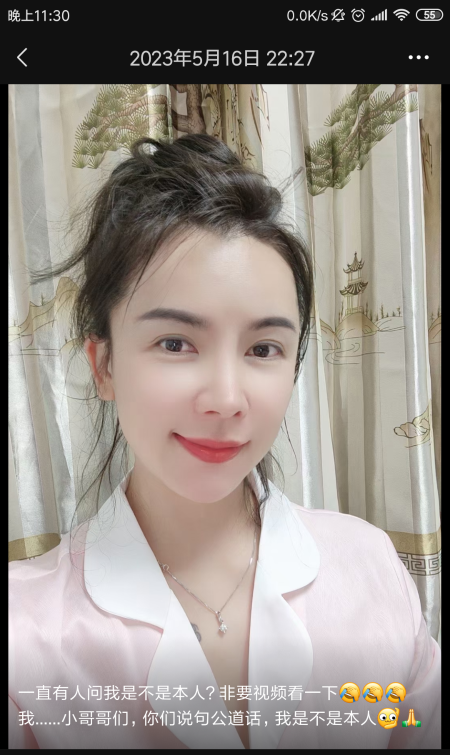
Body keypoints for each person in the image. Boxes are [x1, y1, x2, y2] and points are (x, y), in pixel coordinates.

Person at [9, 134, 440, 750]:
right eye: (176, 343)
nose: (227, 398)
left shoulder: (368, 566)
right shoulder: (25, 631)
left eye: (263, 348)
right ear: (103, 365)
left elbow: (417, 730)